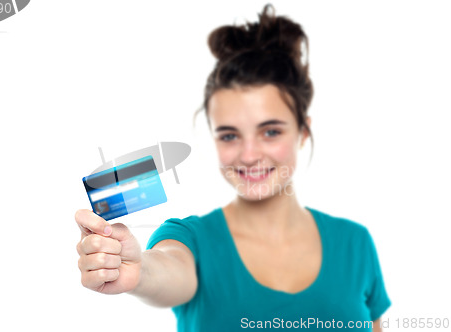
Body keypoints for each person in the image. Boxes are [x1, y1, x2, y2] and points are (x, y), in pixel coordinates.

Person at [75, 4, 391, 331]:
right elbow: (170, 270)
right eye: (230, 135)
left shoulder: (356, 243)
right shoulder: (190, 239)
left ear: (303, 132)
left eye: (270, 131)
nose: (249, 155)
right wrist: (139, 272)